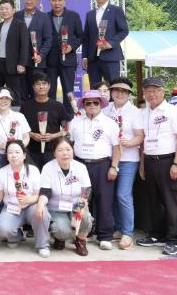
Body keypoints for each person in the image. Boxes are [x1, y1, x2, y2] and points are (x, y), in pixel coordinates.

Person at [134, 77, 177, 255]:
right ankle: (157, 234)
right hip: (150, 161)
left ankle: (174, 239)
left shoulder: (173, 111)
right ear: (144, 93)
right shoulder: (143, 113)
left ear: (163, 92)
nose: (152, 94)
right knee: (154, 201)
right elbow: (143, 141)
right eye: (148, 91)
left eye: (156, 90)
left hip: (168, 161)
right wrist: (142, 165)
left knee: (171, 203)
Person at [69, 89, 121, 250]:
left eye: (95, 103)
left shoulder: (110, 123)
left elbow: (117, 147)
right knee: (81, 200)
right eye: (88, 103)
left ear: (101, 104)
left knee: (104, 200)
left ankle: (105, 236)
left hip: (102, 165)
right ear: (83, 105)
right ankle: (81, 233)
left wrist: (114, 167)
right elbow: (71, 143)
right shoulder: (75, 121)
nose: (92, 105)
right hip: (80, 165)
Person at [102, 77, 143, 250]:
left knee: (123, 195)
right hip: (109, 158)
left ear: (129, 94)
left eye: (124, 91)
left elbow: (140, 136)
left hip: (128, 160)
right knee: (111, 195)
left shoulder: (135, 112)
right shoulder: (105, 109)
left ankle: (127, 232)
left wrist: (129, 142)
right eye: (116, 90)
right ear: (111, 92)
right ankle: (118, 228)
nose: (120, 94)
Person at [35, 137, 93, 256]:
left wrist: (79, 211)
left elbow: (86, 191)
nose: (65, 153)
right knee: (61, 230)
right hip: (56, 208)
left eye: (68, 149)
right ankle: (60, 238)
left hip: (76, 205)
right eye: (60, 150)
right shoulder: (48, 168)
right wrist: (40, 204)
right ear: (54, 153)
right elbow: (45, 192)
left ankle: (80, 241)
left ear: (73, 150)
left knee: (85, 218)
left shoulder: (80, 167)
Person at [0, 140, 50, 257]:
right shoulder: (1, 172)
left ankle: (43, 245)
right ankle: (17, 236)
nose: (14, 155)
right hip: (11, 209)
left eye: (17, 152)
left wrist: (28, 200)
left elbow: (38, 195)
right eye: (10, 153)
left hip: (31, 206)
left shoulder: (33, 170)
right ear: (6, 156)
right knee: (2, 228)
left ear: (24, 155)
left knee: (42, 213)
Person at [46, 0, 83, 119]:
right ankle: (51, 118)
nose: (57, 3)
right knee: (49, 92)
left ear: (65, 0)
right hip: (50, 61)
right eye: (54, 0)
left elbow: (80, 36)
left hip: (68, 61)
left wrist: (71, 47)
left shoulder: (73, 16)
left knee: (69, 91)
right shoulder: (45, 17)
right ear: (50, 1)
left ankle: (70, 118)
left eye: (60, 0)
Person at [20, 72, 69, 169]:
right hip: (31, 151)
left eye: (44, 83)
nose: (41, 86)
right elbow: (20, 128)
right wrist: (32, 134)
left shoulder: (58, 106)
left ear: (49, 86)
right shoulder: (26, 106)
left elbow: (66, 129)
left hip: (52, 151)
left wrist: (53, 136)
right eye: (38, 84)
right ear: (33, 87)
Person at [82, 0, 129, 84]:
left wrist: (110, 43)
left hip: (111, 56)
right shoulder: (90, 14)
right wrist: (85, 57)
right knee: (94, 89)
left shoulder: (116, 10)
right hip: (93, 59)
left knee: (113, 86)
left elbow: (124, 30)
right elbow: (86, 37)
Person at [14, 0, 52, 99]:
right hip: (19, 62)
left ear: (37, 0)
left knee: (37, 93)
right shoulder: (16, 16)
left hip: (37, 63)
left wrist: (41, 55)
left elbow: (48, 39)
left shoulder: (44, 17)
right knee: (20, 93)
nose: (29, 1)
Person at [0, 0, 28, 104]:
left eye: (7, 8)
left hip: (13, 64)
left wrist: (22, 63)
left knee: (14, 93)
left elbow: (24, 46)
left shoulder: (20, 25)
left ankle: (16, 113)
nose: (4, 11)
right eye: (1, 9)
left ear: (13, 10)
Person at [0, 88, 31, 174]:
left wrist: (19, 147)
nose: (4, 101)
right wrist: (0, 145)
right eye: (0, 98)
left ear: (11, 100)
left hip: (18, 155)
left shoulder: (20, 116)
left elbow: (26, 136)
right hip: (0, 157)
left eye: (7, 98)